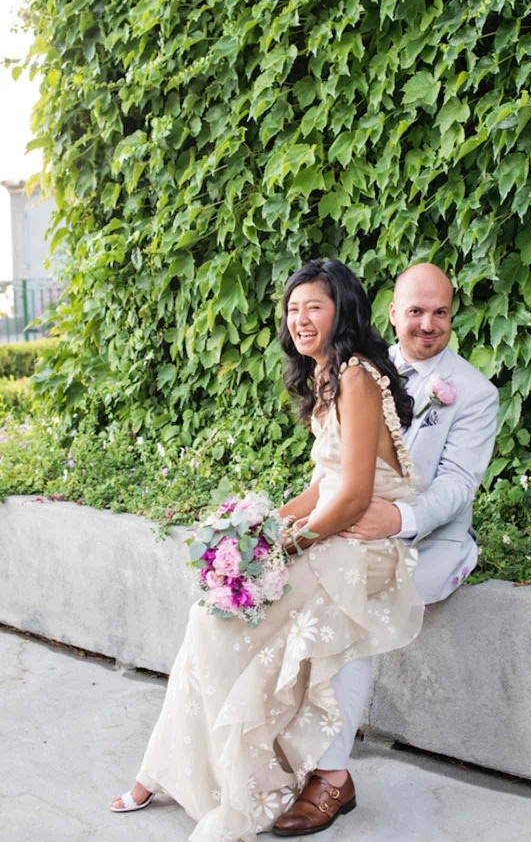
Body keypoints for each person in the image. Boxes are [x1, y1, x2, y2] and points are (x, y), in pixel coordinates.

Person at [110, 258, 425, 842]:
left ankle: (220, 781)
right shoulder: (329, 377)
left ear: (343, 312)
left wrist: (286, 548)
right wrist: (257, 531)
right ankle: (167, 769)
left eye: (315, 307)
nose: (301, 319)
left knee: (220, 624)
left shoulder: (356, 376)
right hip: (332, 535)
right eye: (293, 308)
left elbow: (354, 497)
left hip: (359, 550)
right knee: (208, 617)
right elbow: (322, 486)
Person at [276, 262, 499, 834]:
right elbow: (332, 470)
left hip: (435, 544)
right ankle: (285, 754)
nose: (428, 324)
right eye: (415, 312)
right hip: (357, 527)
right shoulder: (359, 370)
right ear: (393, 314)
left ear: (452, 316)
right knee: (299, 588)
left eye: (440, 312)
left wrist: (396, 518)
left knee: (358, 604)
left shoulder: (474, 393)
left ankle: (332, 778)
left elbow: (456, 486)